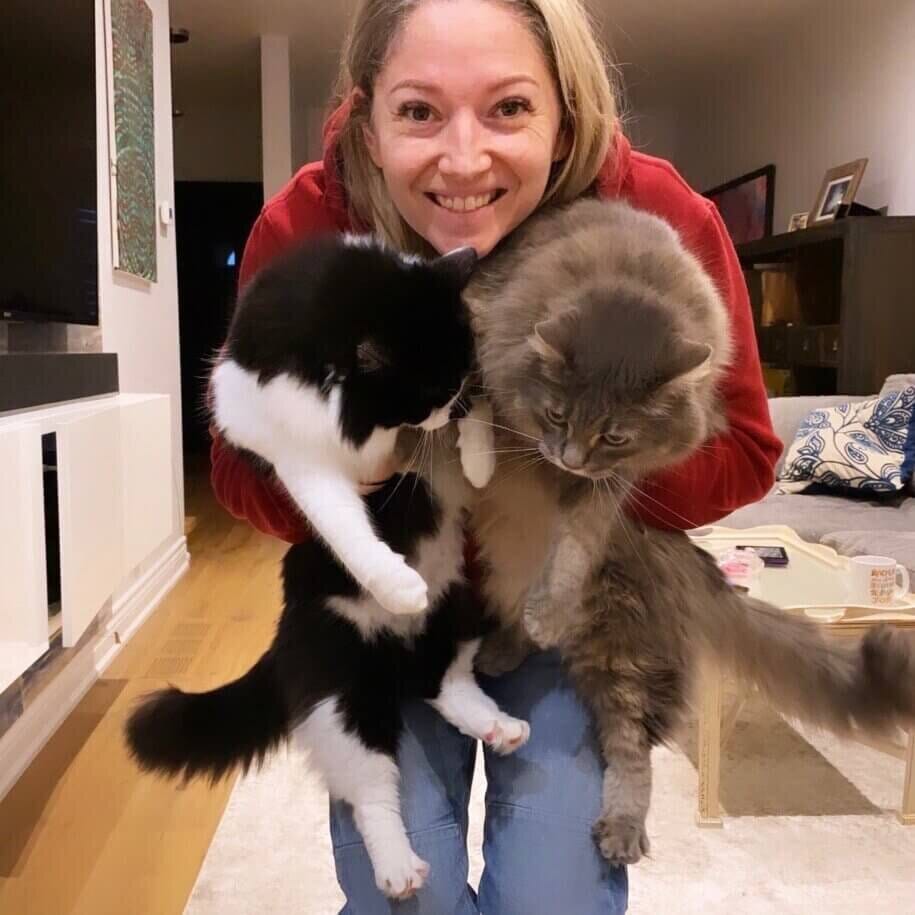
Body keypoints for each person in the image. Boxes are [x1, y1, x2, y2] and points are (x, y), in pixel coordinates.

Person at [209, 1, 782, 911]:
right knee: (408, 891)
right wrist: (345, 473)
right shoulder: (310, 231)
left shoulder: (655, 212)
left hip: (565, 597)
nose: (464, 159)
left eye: (509, 108)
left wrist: (598, 448)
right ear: (367, 118)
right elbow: (236, 464)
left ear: (564, 116)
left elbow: (748, 451)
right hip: (396, 603)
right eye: (419, 111)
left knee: (552, 893)